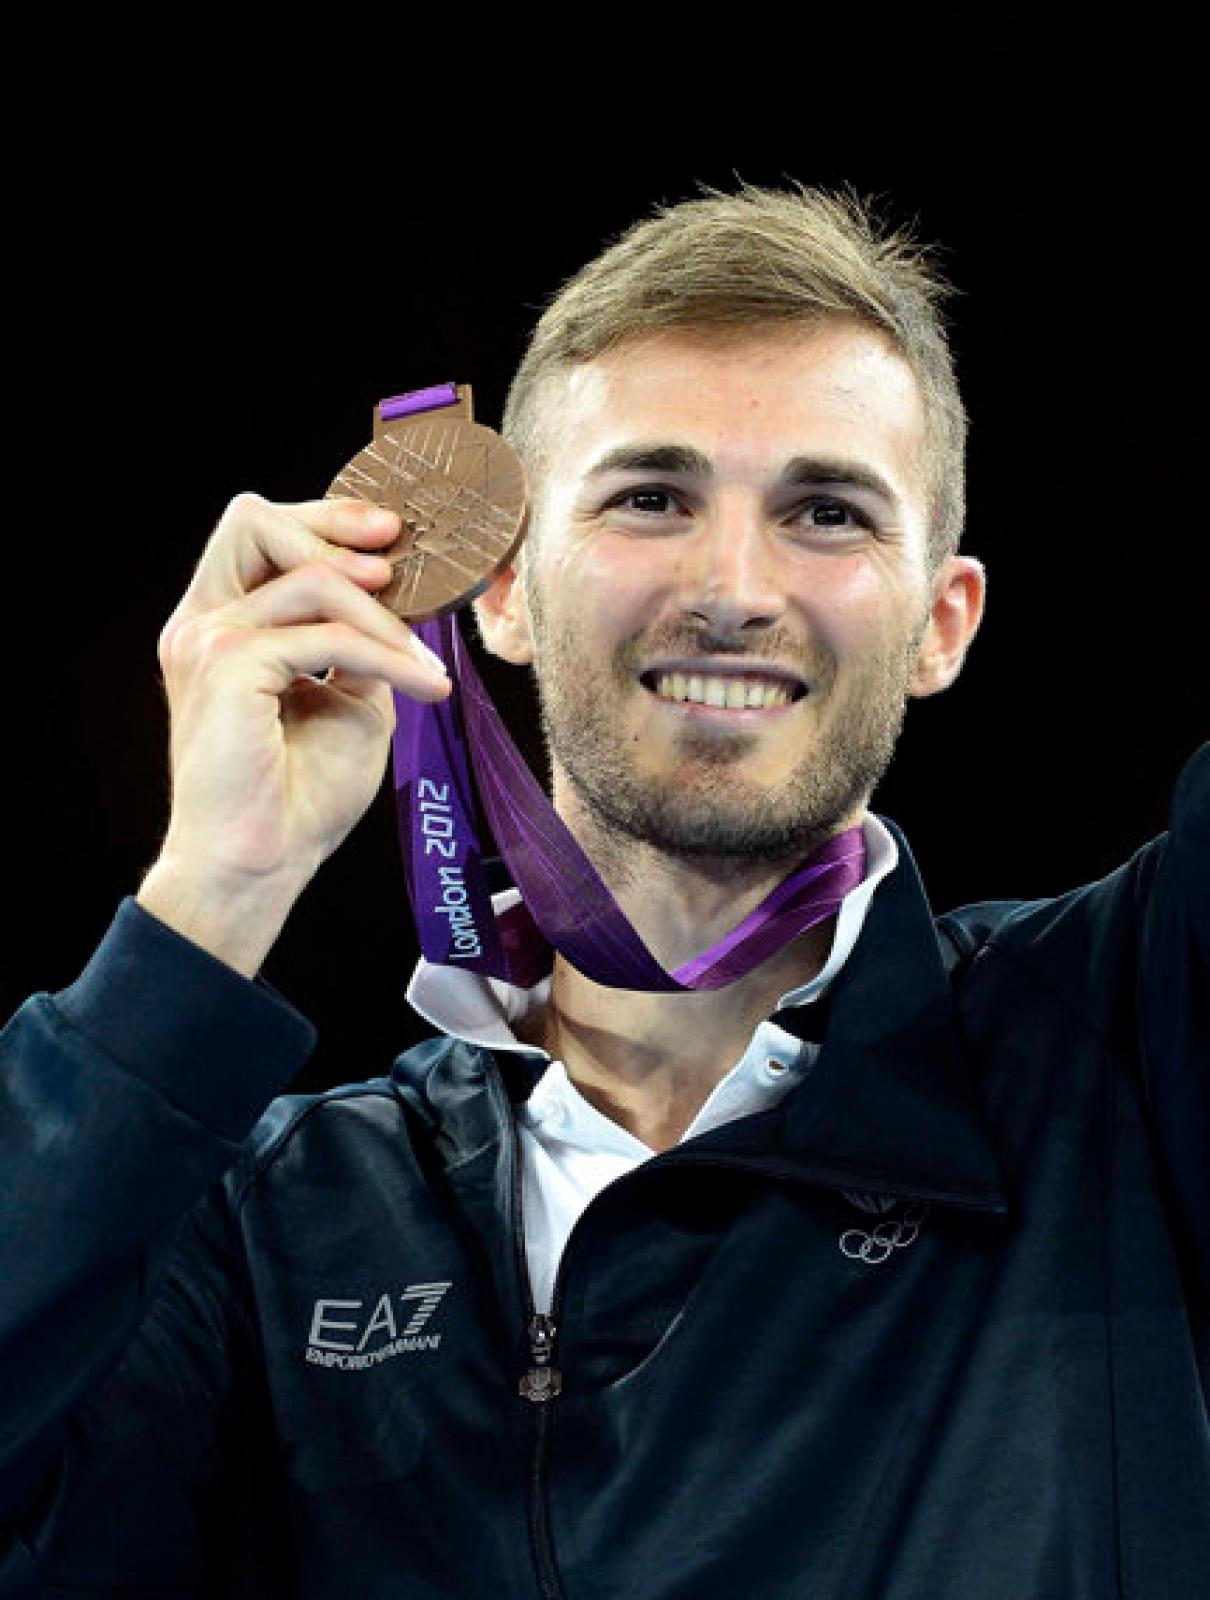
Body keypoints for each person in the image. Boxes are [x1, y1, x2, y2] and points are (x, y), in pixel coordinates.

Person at [1, 183, 1206, 1598]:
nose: (732, 587)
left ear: (942, 623)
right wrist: (211, 892)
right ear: (499, 588)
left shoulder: (1132, 1038)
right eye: (651, 498)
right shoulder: (268, 1224)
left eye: (826, 511)